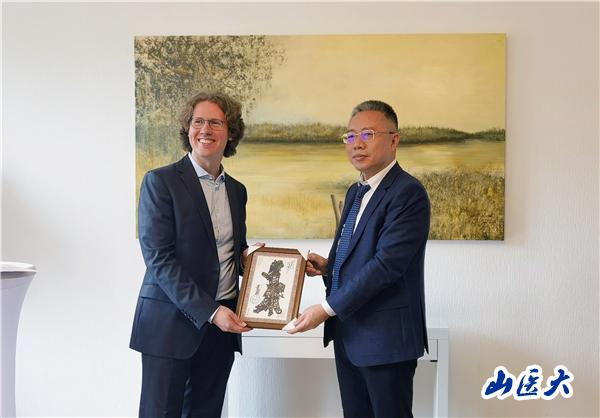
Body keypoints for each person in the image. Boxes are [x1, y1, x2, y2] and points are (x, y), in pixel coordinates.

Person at [289, 100, 431, 418]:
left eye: (368, 134)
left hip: (385, 341)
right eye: (350, 136)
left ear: (394, 139)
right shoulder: (356, 192)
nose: (357, 143)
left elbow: (386, 266)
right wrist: (329, 267)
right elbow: (358, 256)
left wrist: (325, 309)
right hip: (349, 335)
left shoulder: (407, 193)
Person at [130, 90, 255, 417]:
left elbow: (229, 251)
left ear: (230, 132)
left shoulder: (237, 191)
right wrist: (210, 311)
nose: (205, 130)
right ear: (187, 129)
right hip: (170, 325)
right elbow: (159, 259)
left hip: (221, 329)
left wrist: (250, 261)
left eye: (215, 122)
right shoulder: (160, 182)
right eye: (198, 122)